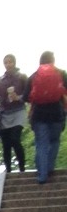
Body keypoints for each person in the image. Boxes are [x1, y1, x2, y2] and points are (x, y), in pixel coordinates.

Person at [27, 50, 67, 184]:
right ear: (52, 61)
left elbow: (26, 96)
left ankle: (42, 175)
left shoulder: (33, 76)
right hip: (57, 113)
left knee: (41, 144)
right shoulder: (61, 74)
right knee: (55, 141)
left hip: (39, 115)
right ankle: (50, 167)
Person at [0, 54, 28, 174]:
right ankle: (9, 170)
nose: (8, 64)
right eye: (6, 62)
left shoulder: (22, 77)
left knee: (15, 139)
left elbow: (28, 95)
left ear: (14, 63)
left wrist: (19, 97)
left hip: (18, 111)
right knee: (6, 144)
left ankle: (22, 167)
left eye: (10, 62)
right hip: (4, 114)